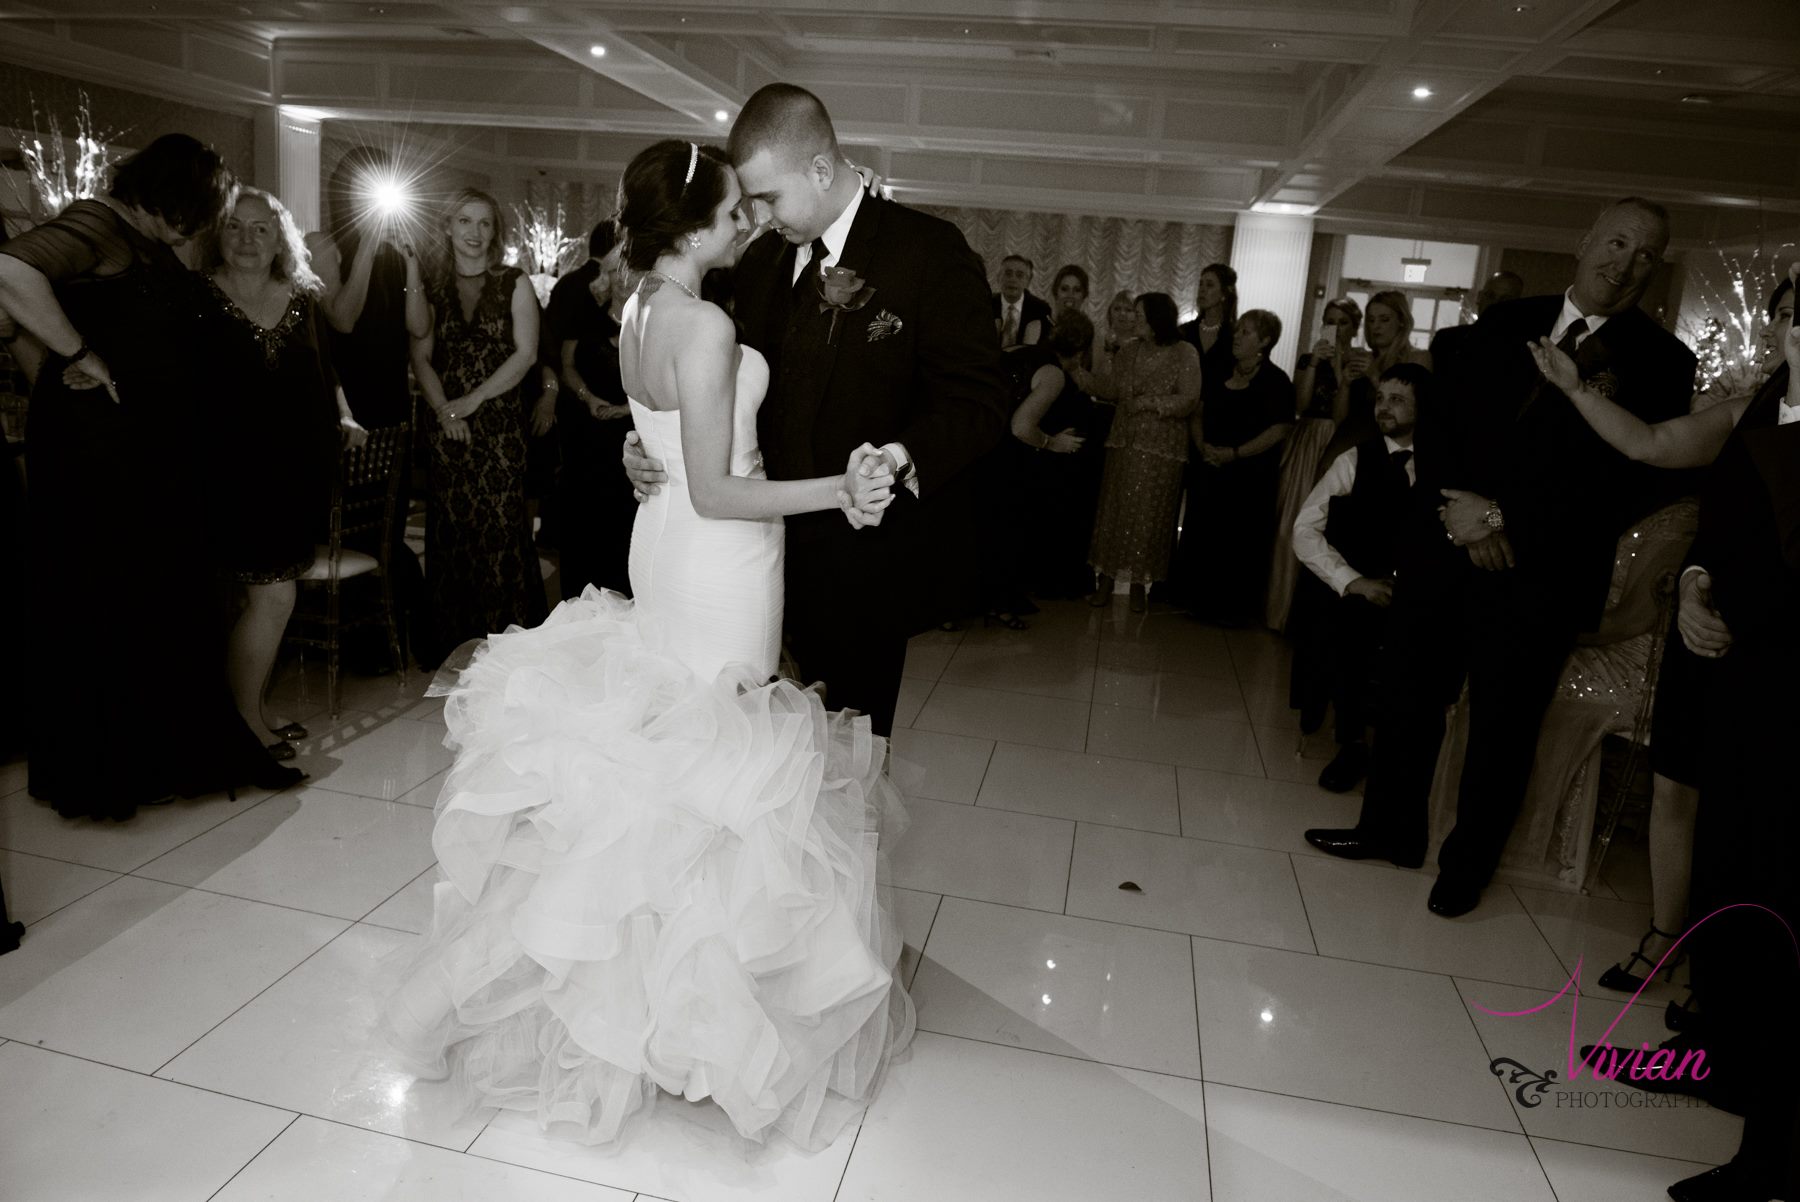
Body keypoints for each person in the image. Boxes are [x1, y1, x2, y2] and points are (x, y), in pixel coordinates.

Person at [384, 138, 915, 1151]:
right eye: (734, 211)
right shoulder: (706, 321)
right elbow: (720, 485)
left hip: (666, 537)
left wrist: (647, 449)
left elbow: (666, 441)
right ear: (699, 222)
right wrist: (841, 492)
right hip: (717, 552)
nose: (748, 223)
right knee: (709, 764)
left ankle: (656, 1008)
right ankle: (685, 1024)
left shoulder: (633, 307)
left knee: (669, 760)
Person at [1304, 197, 1698, 918]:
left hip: (1541, 573)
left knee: (1502, 726)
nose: (1625, 263)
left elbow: (1629, 482)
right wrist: (1464, 515)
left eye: (1645, 254)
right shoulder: (1504, 323)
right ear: (1584, 242)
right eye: (1615, 242)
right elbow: (1444, 420)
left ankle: (1466, 866)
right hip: (1446, 545)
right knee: (1409, 697)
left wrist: (1504, 518)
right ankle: (1388, 830)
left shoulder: (1664, 363)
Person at [622, 84, 1007, 737]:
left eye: (768, 198)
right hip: (751, 555)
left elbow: (980, 399)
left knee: (845, 761)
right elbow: (716, 387)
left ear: (821, 170)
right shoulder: (762, 263)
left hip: (861, 563)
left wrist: (896, 458)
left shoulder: (927, 251)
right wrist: (655, 442)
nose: (760, 220)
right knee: (747, 751)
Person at [0, 133, 301, 817]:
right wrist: (77, 354)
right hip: (100, 459)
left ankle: (157, 754)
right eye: (195, 211)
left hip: (145, 456)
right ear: (168, 196)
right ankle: (113, 768)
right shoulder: (94, 222)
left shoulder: (139, 238)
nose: (195, 229)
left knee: (153, 603)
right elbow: (8, 272)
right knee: (109, 603)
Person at [1529, 272, 1793, 1011]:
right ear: (1771, 324)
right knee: (1677, 786)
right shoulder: (1744, 413)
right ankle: (1666, 935)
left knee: (1747, 808)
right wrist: (1577, 391)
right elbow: (1648, 445)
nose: (1794, 324)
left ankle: (1724, 973)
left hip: (1769, 647)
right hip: (1697, 624)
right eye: (1786, 312)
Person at [200, 187, 364, 757]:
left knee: (263, 601)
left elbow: (325, 372)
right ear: (217, 236)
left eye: (261, 229)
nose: (247, 239)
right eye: (235, 227)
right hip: (225, 474)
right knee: (272, 600)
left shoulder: (300, 297)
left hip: (289, 474)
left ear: (280, 239)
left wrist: (341, 416)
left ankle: (253, 708)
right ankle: (242, 722)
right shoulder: (196, 299)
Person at [408, 188, 547, 667]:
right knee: (453, 534)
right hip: (447, 428)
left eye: (484, 223)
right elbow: (420, 356)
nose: (474, 232)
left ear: (496, 232)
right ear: (447, 227)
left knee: (501, 532)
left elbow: (526, 354)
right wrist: (446, 409)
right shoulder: (432, 286)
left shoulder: (514, 282)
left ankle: (510, 650)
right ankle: (453, 646)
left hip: (498, 428)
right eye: (464, 221)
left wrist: (471, 401)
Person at [307, 146, 427, 668]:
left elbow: (418, 327)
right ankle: (350, 642)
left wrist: (409, 258)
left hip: (394, 412)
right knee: (340, 526)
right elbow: (342, 319)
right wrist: (369, 245)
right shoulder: (321, 245)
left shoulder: (398, 252)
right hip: (346, 412)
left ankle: (386, 639)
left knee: (385, 528)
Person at [1288, 363, 1427, 792]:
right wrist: (1352, 580)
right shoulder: (1354, 458)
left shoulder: (1445, 463)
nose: (1384, 407)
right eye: (1381, 397)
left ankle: (1409, 748)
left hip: (1420, 587)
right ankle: (1352, 743)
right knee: (1351, 631)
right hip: (1359, 584)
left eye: (1397, 399)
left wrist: (1493, 521)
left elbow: (1494, 511)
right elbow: (1304, 529)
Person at [1077, 292, 1202, 613]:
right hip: (1124, 444)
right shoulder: (1129, 350)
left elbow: (1189, 398)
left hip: (1162, 451)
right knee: (1114, 512)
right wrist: (1077, 373)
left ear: (1158, 319)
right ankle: (1104, 581)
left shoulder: (1184, 352)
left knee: (1150, 517)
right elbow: (1110, 389)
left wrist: (1149, 402)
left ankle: (1138, 585)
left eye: (1140, 315)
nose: (1134, 320)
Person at [1172, 309, 1294, 625]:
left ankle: (1231, 609)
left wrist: (1235, 454)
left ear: (1265, 341)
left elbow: (1278, 430)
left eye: (1246, 332)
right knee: (1204, 530)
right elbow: (1198, 412)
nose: (1237, 336)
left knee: (1239, 538)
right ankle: (1195, 598)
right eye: (1238, 329)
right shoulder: (1219, 371)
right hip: (1211, 463)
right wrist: (1204, 447)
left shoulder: (1276, 381)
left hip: (1248, 474)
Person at [546, 220, 636, 599]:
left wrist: (627, 409)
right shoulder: (586, 312)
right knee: (583, 521)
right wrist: (590, 399)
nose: (620, 279)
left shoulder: (646, 319)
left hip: (629, 436)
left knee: (622, 527)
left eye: (627, 271)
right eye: (614, 271)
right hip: (587, 432)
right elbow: (566, 364)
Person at [1266, 297, 1361, 630]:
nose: (1336, 329)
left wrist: (1339, 370)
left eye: (1343, 322)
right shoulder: (1309, 359)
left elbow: (1342, 414)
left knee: (1325, 524)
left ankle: (1310, 615)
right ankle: (1279, 611)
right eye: (1330, 321)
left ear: (1354, 327)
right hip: (1305, 438)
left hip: (1337, 441)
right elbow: (1301, 404)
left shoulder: (1358, 363)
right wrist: (1313, 365)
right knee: (1290, 520)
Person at [1316, 288, 1432, 476]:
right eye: (1370, 320)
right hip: (1346, 445)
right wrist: (1345, 384)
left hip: (1389, 449)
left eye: (1384, 319)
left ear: (1402, 321)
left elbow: (1417, 409)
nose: (1375, 326)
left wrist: (1373, 375)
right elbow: (1339, 419)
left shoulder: (1418, 358)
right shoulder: (1362, 357)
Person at [1028, 311, 1104, 598]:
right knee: (1060, 521)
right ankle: (1058, 581)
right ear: (1082, 350)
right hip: (1059, 467)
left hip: (1062, 466)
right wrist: (1051, 443)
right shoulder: (1054, 373)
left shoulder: (1052, 365)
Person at [1428, 270, 1523, 375]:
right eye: (1490, 296)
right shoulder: (1446, 339)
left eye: (1506, 299)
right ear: (1479, 297)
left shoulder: (1524, 349)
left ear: (1517, 305)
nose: (1496, 303)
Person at [1177, 263, 1238, 399]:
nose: (1202, 290)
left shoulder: (1235, 335)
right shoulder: (1184, 331)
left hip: (1219, 408)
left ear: (1224, 293)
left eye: (1209, 285)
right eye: (1200, 284)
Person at [992, 253, 1051, 347]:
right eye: (1008, 274)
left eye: (1019, 275)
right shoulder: (987, 305)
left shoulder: (1040, 310)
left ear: (1028, 282)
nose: (1013, 279)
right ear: (998, 277)